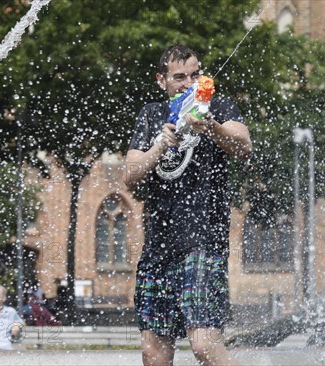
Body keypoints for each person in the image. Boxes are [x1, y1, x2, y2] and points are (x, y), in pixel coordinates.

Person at [124, 44, 252, 366]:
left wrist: (211, 127)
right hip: (158, 248)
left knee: (204, 345)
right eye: (179, 77)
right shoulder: (152, 115)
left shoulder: (218, 106)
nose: (188, 83)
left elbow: (244, 146)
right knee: (153, 354)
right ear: (161, 80)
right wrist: (159, 146)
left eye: (194, 75)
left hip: (204, 242)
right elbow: (130, 174)